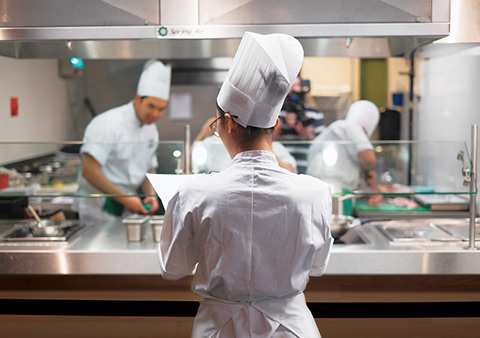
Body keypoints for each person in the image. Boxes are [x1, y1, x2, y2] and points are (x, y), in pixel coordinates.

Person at [158, 32, 333, 337]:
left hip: (219, 329)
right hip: (291, 329)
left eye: (216, 126)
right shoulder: (314, 193)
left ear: (227, 122)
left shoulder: (192, 192)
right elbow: (317, 267)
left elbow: (172, 268)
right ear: (275, 125)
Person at [73, 59, 171, 223]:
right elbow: (89, 171)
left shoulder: (150, 128)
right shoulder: (107, 123)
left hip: (127, 205)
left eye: (161, 109)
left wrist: (150, 195)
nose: (155, 114)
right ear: (138, 99)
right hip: (97, 207)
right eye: (151, 106)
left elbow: (149, 168)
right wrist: (125, 199)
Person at [306, 99, 380, 194]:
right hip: (334, 190)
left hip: (320, 188)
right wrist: (369, 171)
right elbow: (369, 159)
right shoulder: (351, 127)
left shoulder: (336, 127)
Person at [192, 117, 298, 173]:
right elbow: (188, 164)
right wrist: (202, 135)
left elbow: (290, 172)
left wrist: (265, 148)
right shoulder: (212, 142)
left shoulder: (278, 148)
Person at [275, 75, 326, 174]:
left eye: (297, 85)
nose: (295, 89)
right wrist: (281, 124)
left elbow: (323, 145)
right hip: (283, 168)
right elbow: (267, 141)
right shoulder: (276, 113)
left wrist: (307, 134)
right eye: (291, 85)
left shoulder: (314, 114)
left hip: (309, 168)